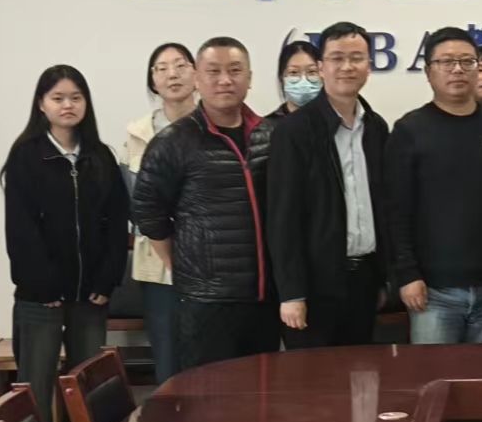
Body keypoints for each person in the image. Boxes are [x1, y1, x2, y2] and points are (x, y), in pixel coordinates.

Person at [133, 37, 279, 370]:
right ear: (197, 78)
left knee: (263, 392)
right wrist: (182, 263)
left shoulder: (271, 135)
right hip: (205, 302)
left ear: (250, 78)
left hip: (264, 297)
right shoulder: (173, 142)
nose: (225, 80)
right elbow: (148, 212)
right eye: (213, 71)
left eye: (235, 70)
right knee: (211, 396)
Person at [2, 65, 129, 422]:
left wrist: (107, 280)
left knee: (87, 388)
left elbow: (116, 223)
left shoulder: (100, 157)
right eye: (58, 98)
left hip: (90, 296)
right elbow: (20, 230)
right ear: (41, 104)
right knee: (35, 391)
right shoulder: (26, 156)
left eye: (75, 97)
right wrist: (43, 285)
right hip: (41, 298)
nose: (67, 105)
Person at [387, 28, 482, 344]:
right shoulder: (409, 130)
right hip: (432, 291)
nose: (457, 69)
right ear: (428, 72)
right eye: (446, 62)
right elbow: (396, 210)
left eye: (467, 61)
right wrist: (407, 274)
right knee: (435, 372)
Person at [265, 22, 392, 349]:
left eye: (357, 58)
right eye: (337, 58)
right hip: (314, 286)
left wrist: (382, 277)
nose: (347, 66)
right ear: (321, 67)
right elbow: (282, 218)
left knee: (361, 372)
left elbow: (384, 206)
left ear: (369, 66)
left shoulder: (377, 128)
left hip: (364, 280)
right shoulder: (294, 131)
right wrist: (292, 293)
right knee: (313, 378)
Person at [121, 42, 197, 387]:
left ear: (196, 74)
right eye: (162, 68)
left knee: (209, 360)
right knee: (167, 359)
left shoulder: (213, 123)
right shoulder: (137, 134)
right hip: (157, 263)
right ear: (152, 81)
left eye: (180, 65)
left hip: (209, 263)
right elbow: (133, 201)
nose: (172, 74)